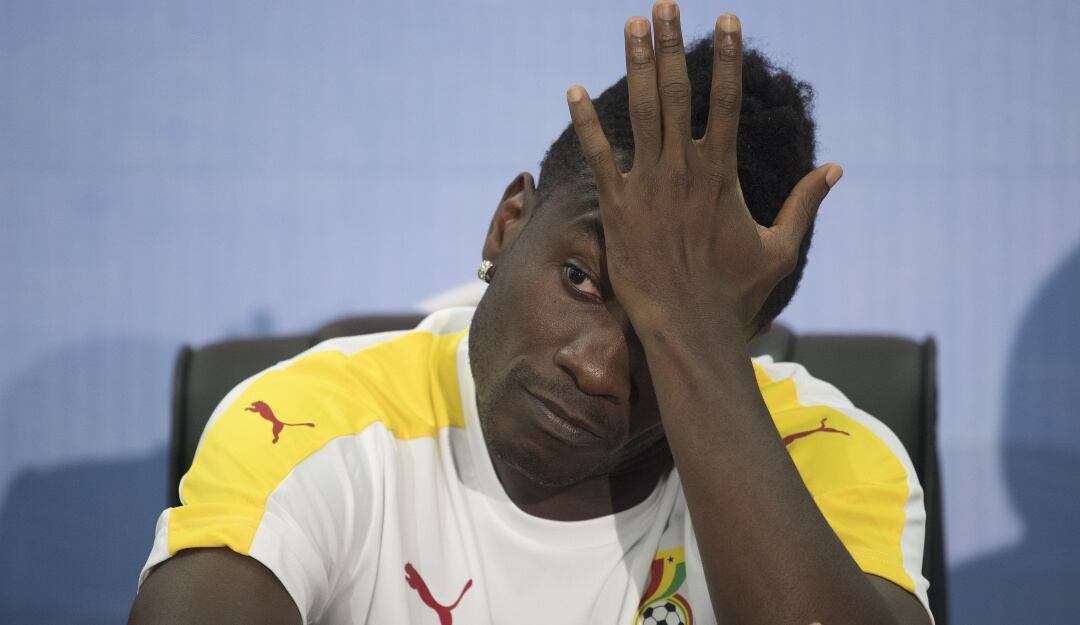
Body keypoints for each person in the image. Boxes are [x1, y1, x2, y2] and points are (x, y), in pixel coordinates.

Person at [129, 3, 934, 624]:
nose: (597, 366)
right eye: (581, 278)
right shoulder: (318, 422)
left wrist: (692, 334)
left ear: (739, 344)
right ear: (508, 223)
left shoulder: (827, 453)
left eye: (666, 330)